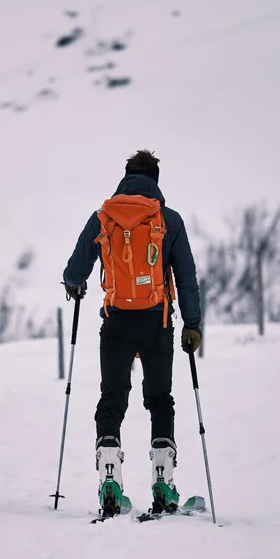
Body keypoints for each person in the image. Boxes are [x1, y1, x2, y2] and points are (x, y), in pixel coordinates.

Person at [62, 150, 202, 517]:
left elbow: (75, 269)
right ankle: (163, 482)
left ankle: (109, 479)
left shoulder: (103, 217)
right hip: (157, 321)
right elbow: (186, 278)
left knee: (112, 399)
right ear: (155, 180)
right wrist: (192, 323)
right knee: (159, 400)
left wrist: (74, 285)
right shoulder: (168, 220)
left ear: (124, 178)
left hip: (117, 320)